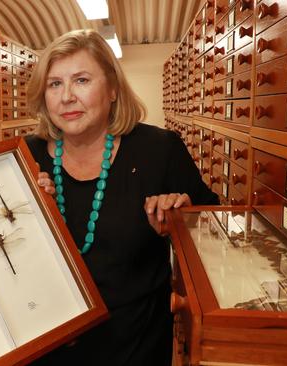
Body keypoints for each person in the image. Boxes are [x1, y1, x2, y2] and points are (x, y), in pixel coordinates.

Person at [26, 29, 218, 365]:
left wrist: (182, 221)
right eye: (54, 84)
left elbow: (213, 230)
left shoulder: (158, 150)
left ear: (113, 88)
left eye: (81, 80)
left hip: (134, 346)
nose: (66, 96)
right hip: (47, 347)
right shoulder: (28, 156)